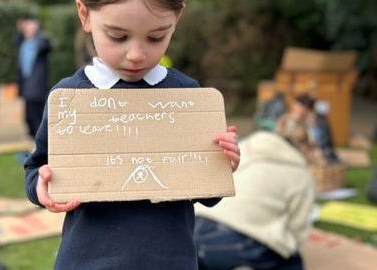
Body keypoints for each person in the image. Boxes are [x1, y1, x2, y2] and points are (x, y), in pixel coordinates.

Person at [24, 1, 241, 269]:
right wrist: (41, 186)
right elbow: (35, 167)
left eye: (155, 37)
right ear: (85, 15)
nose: (137, 54)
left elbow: (208, 196)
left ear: (176, 20)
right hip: (87, 262)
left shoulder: (188, 95)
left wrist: (221, 162)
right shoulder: (69, 98)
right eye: (118, 36)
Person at [194, 131, 314, 270]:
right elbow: (298, 227)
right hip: (241, 240)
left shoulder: (242, 151)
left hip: (197, 227)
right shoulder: (299, 174)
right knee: (293, 262)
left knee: (205, 258)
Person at [17, 18, 52, 139]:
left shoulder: (40, 42)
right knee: (29, 112)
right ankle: (33, 135)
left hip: (37, 84)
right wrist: (21, 29)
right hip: (26, 83)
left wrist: (39, 30)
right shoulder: (24, 43)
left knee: (39, 111)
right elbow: (16, 39)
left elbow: (47, 44)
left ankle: (40, 137)